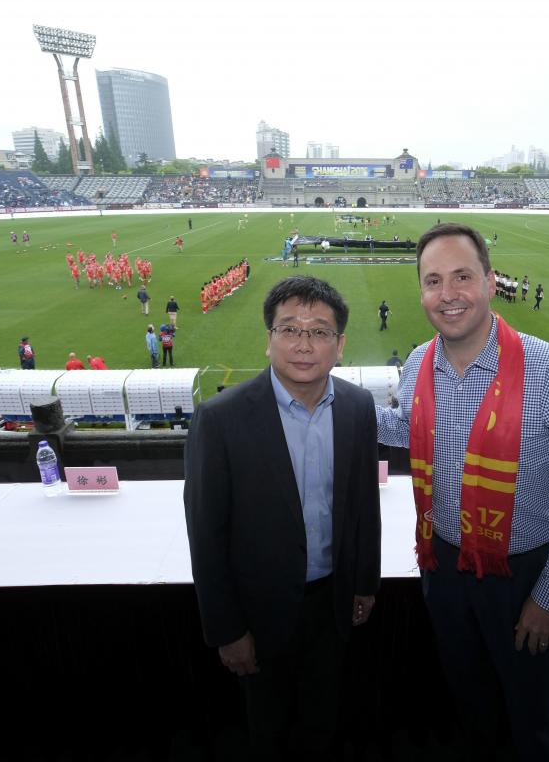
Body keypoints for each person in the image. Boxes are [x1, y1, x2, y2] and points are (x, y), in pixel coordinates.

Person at [375, 223, 549, 761]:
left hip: (522, 575)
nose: (448, 294)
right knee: (470, 706)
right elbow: (410, 431)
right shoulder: (418, 364)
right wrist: (331, 402)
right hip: (444, 565)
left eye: (462, 276)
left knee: (531, 720)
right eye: (433, 281)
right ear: (421, 292)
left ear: (490, 281)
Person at [184, 275, 381, 760]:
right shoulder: (221, 419)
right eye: (289, 329)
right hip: (259, 613)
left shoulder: (357, 407)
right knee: (267, 730)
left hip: (331, 603)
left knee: (322, 721)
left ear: (340, 345)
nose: (303, 344)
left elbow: (363, 505)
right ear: (269, 337)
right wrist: (227, 630)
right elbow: (206, 535)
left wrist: (365, 582)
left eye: (319, 332)